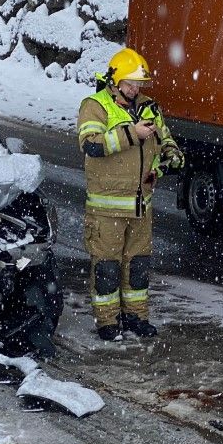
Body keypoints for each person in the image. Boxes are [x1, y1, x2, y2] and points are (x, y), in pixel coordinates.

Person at [77, 47, 184, 341]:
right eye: (130, 83)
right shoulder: (94, 106)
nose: (136, 89)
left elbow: (164, 139)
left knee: (137, 266)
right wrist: (131, 134)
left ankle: (136, 317)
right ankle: (107, 322)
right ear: (114, 81)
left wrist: (170, 155)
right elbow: (92, 145)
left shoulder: (149, 106)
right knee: (108, 268)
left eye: (139, 84)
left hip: (141, 206)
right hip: (106, 209)